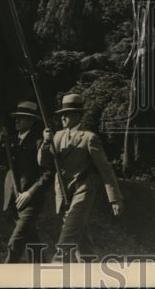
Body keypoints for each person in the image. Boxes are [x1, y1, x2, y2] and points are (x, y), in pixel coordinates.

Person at [39, 93, 123, 261]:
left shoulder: (89, 138)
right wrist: (45, 143)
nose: (63, 117)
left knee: (68, 236)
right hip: (63, 192)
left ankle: (56, 270)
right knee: (82, 240)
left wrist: (114, 199)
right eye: (62, 113)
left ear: (77, 115)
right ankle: (91, 271)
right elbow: (44, 162)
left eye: (67, 113)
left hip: (82, 190)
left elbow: (105, 169)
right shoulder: (56, 136)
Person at [2, 100, 53, 263]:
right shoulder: (10, 141)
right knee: (32, 241)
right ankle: (43, 270)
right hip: (12, 198)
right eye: (16, 117)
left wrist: (30, 193)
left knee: (15, 243)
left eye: (21, 118)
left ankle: (3, 277)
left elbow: (48, 173)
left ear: (31, 121)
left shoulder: (38, 143)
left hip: (30, 201)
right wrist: (0, 139)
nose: (16, 120)